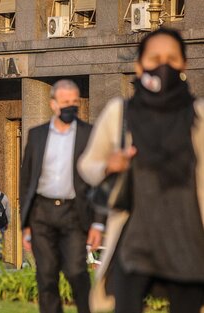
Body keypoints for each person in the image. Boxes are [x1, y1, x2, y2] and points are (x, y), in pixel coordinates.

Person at [78, 28, 204, 313]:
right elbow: (88, 165)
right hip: (134, 236)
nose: (163, 65)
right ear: (139, 65)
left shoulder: (199, 114)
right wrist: (110, 164)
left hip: (188, 236)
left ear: (183, 64)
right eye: (155, 57)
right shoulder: (119, 112)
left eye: (172, 58)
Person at [20, 79, 104, 313]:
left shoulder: (89, 134)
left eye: (74, 102)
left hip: (74, 214)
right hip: (42, 213)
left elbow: (99, 182)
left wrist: (98, 223)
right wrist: (26, 223)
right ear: (53, 104)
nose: (70, 106)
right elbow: (26, 180)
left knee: (76, 272)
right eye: (65, 102)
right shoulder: (36, 135)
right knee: (46, 276)